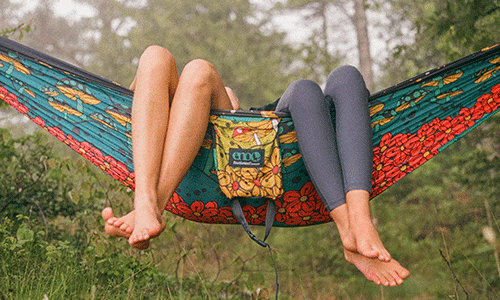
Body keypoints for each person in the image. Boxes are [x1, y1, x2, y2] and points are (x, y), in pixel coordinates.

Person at [102, 45, 410, 286]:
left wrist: (230, 101)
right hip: (191, 160)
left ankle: (358, 222)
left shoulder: (206, 91)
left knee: (337, 78)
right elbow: (144, 87)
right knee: (157, 55)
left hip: (240, 136)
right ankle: (147, 205)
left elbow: (231, 101)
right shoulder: (150, 101)